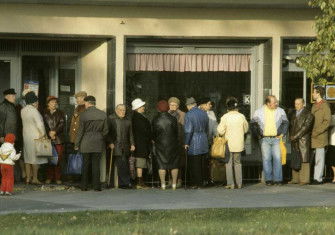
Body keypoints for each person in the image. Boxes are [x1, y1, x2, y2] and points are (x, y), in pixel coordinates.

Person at [251, 95, 289, 186]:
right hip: (264, 139)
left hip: (276, 138)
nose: (276, 103)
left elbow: (286, 123)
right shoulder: (258, 112)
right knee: (266, 159)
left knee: (277, 159)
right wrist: (259, 136)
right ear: (268, 103)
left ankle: (278, 180)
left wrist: (282, 134)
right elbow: (253, 124)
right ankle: (268, 179)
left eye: (276, 102)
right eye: (274, 102)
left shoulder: (280, 111)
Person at [75, 96, 109, 191]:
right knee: (96, 164)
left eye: (85, 103)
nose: (84, 105)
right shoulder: (103, 114)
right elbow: (106, 130)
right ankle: (97, 186)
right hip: (98, 141)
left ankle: (84, 186)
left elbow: (80, 131)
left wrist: (76, 144)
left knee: (85, 164)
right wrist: (101, 137)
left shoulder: (84, 115)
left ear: (88, 103)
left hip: (86, 141)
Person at [217, 97, 248, 189]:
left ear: (227, 107)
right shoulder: (241, 116)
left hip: (228, 145)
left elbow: (220, 131)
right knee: (238, 163)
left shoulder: (225, 117)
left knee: (228, 163)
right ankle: (239, 183)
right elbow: (246, 129)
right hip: (239, 144)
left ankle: (231, 183)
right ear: (236, 107)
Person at [21, 91, 48, 185]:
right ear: (34, 102)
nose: (37, 103)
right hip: (35, 136)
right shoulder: (34, 111)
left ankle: (28, 178)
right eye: (36, 101)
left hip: (26, 136)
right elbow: (39, 124)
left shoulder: (23, 110)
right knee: (35, 159)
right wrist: (43, 134)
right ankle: (35, 178)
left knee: (27, 159)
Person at [152, 100, 179, 190]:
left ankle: (163, 184)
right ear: (167, 108)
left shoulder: (155, 119)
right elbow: (176, 132)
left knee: (161, 165)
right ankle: (174, 184)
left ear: (158, 108)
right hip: (173, 144)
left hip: (160, 144)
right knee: (174, 164)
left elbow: (153, 133)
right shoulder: (173, 119)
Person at [108, 104, 135, 189]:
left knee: (124, 164)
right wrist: (110, 142)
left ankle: (124, 183)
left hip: (125, 146)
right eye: (120, 110)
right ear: (116, 110)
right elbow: (107, 132)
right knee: (119, 164)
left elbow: (130, 134)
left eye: (124, 110)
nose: (123, 112)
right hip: (115, 146)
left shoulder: (128, 120)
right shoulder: (111, 119)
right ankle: (119, 183)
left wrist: (132, 144)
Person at [288, 98, 314, 185]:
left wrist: (295, 136)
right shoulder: (292, 113)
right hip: (294, 139)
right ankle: (295, 179)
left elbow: (305, 128)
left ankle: (304, 179)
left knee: (304, 159)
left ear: (303, 104)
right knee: (295, 158)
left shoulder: (309, 114)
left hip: (303, 140)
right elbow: (290, 126)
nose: (296, 105)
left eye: (298, 104)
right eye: (295, 104)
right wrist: (291, 136)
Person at [184, 97, 209, 188]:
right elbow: (207, 128)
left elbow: (188, 130)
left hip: (194, 141)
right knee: (203, 163)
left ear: (189, 105)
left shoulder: (189, 114)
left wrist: (186, 142)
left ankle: (197, 183)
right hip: (203, 139)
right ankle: (204, 181)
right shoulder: (204, 113)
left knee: (195, 164)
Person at [311, 86, 331, 184]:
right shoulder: (314, 105)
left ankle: (318, 178)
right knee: (316, 158)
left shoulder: (325, 105)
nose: (312, 94)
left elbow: (327, 121)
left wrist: (317, 131)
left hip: (320, 136)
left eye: (314, 92)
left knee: (319, 158)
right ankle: (315, 177)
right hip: (313, 135)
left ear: (318, 93)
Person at [43, 96, 65, 185]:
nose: (54, 104)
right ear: (48, 103)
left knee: (58, 159)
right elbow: (43, 124)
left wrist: (54, 132)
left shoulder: (61, 113)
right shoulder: (44, 113)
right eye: (52, 102)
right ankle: (49, 177)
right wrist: (49, 132)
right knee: (49, 159)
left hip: (58, 139)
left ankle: (58, 178)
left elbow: (62, 123)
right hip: (48, 138)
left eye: (55, 102)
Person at [131, 98, 151, 189]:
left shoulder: (135, 117)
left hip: (140, 143)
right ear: (138, 108)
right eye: (142, 106)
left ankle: (140, 181)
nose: (143, 107)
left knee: (141, 162)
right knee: (140, 162)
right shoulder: (138, 118)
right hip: (141, 144)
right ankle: (139, 182)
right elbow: (145, 132)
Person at [198, 97, 218, 185]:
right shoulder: (196, 112)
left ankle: (208, 179)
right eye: (208, 104)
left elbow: (214, 126)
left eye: (211, 104)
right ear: (202, 104)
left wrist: (217, 136)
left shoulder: (211, 113)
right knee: (199, 161)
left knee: (208, 161)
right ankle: (201, 179)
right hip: (199, 141)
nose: (210, 106)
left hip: (209, 141)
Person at [168, 97, 185, 188]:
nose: (173, 106)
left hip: (179, 141)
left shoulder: (182, 114)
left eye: (175, 105)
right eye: (171, 105)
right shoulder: (166, 114)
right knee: (169, 161)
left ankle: (179, 180)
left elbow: (185, 129)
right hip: (169, 142)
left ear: (178, 106)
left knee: (179, 162)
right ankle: (170, 180)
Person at [327, 105, 335, 183]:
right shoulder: (332, 117)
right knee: (332, 160)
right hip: (332, 142)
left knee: (332, 160)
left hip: (332, 142)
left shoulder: (332, 117)